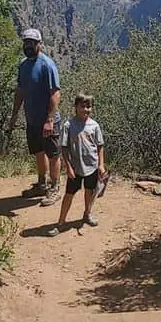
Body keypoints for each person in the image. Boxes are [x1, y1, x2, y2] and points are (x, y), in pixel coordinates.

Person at [8, 28, 62, 206]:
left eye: (32, 42)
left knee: (53, 154)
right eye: (26, 42)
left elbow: (55, 94)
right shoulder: (23, 65)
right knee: (39, 152)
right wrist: (15, 114)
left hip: (47, 120)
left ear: (39, 44)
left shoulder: (47, 65)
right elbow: (21, 91)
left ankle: (55, 188)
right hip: (32, 119)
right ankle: (41, 184)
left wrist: (50, 120)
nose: (28, 45)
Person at [47, 94, 106, 237]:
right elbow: (65, 148)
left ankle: (87, 213)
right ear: (76, 107)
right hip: (76, 167)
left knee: (90, 191)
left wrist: (101, 164)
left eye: (88, 106)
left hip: (91, 165)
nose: (86, 109)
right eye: (82, 106)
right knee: (69, 194)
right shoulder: (69, 125)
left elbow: (100, 146)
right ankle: (60, 222)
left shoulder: (94, 125)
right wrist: (68, 167)